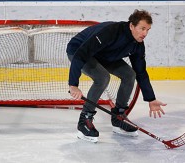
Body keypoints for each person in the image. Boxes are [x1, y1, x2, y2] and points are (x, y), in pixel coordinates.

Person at [67, 9, 167, 143]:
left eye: (148, 30)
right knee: (102, 77)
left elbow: (141, 72)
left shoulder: (137, 45)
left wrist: (151, 99)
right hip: (79, 50)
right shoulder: (111, 32)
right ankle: (84, 120)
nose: (145, 33)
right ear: (132, 26)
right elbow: (81, 54)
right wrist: (73, 85)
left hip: (103, 54)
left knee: (129, 74)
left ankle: (118, 117)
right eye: (142, 28)